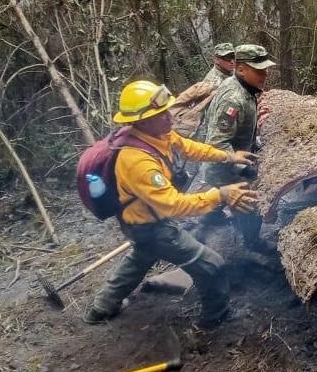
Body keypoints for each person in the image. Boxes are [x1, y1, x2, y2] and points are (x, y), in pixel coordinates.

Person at [84, 80, 260, 327]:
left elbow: (188, 147)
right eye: (161, 113)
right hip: (152, 226)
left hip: (143, 222)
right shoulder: (137, 162)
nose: (169, 116)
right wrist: (220, 195)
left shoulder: (158, 134)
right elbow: (173, 205)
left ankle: (101, 308)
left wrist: (229, 156)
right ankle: (214, 319)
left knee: (141, 257)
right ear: (143, 120)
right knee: (211, 265)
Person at [197, 44, 276, 251]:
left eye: (266, 69)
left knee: (216, 204)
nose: (265, 74)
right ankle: (251, 245)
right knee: (252, 205)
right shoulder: (234, 98)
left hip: (229, 164)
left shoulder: (244, 89)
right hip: (225, 169)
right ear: (241, 69)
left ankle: (207, 222)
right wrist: (243, 169)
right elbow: (217, 142)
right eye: (259, 70)